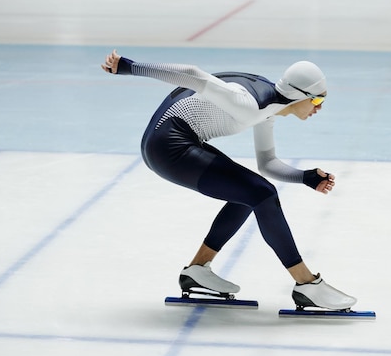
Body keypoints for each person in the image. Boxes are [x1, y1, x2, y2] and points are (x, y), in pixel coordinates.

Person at [101, 50, 356, 310]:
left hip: (172, 142)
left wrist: (305, 177)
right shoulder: (250, 102)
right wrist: (129, 67)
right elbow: (192, 75)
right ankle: (306, 284)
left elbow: (267, 163)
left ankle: (197, 271)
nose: (320, 107)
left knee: (249, 193)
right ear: (300, 95)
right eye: (316, 100)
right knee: (262, 193)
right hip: (168, 146)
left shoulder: (270, 106)